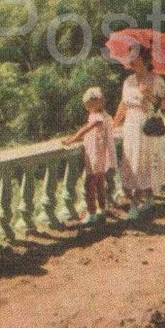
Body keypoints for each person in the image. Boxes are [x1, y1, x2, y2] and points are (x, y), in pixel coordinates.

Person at [113, 46, 165, 220]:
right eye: (129, 57)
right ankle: (148, 200)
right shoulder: (129, 80)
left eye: (134, 57)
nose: (130, 61)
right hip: (131, 126)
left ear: (144, 59)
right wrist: (114, 123)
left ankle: (135, 205)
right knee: (132, 163)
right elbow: (124, 103)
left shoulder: (156, 80)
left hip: (147, 126)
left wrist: (149, 94)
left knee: (143, 164)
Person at [63, 87, 117, 226]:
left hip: (96, 154)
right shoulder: (105, 115)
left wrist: (73, 139)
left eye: (89, 105)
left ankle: (92, 213)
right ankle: (102, 209)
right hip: (99, 153)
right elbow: (95, 133)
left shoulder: (98, 116)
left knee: (90, 183)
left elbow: (87, 128)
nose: (88, 108)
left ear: (97, 102)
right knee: (99, 182)